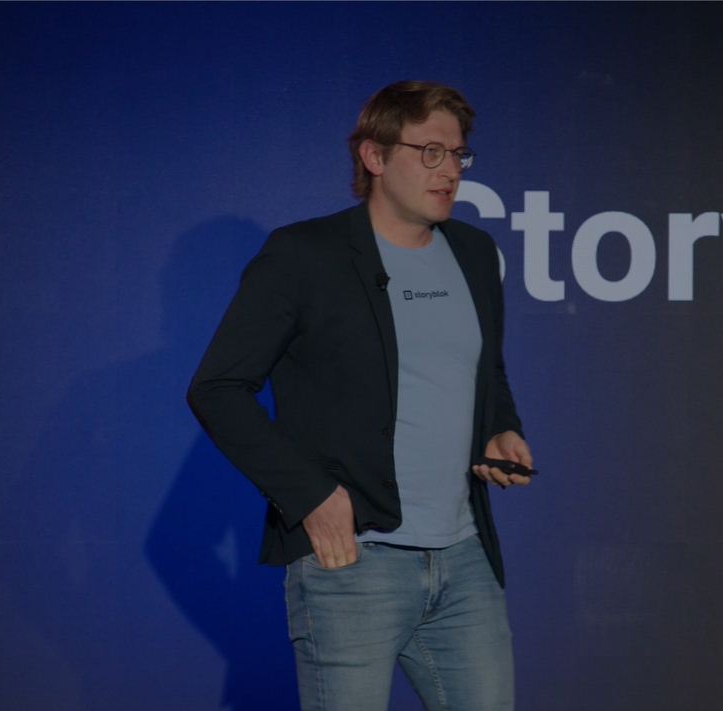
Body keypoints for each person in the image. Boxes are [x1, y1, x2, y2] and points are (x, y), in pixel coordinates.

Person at [186, 80, 532, 711]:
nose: (450, 170)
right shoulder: (303, 255)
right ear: (374, 156)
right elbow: (217, 389)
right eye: (430, 152)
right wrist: (311, 496)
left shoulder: (476, 253)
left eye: (458, 154)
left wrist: (499, 426)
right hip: (353, 564)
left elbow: (486, 370)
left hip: (464, 559)